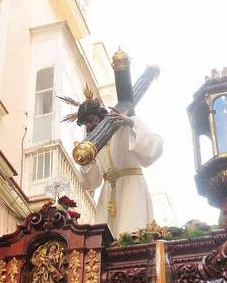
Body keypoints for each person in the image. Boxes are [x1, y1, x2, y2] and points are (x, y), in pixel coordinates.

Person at [65, 86, 163, 236]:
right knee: (106, 241)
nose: (89, 126)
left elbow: (154, 148)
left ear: (100, 115)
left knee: (132, 232)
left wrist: (130, 123)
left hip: (131, 188)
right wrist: (87, 161)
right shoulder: (94, 145)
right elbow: (91, 183)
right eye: (86, 124)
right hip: (107, 195)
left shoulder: (125, 127)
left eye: (90, 120)